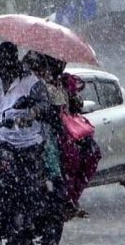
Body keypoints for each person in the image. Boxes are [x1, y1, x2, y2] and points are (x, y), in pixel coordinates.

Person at [0, 42, 51, 245]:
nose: (4, 67)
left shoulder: (31, 82)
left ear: (15, 59)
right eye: (0, 62)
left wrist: (32, 114)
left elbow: (44, 104)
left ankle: (24, 222)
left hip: (27, 141)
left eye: (8, 61)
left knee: (19, 182)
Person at [24, 51, 100, 218]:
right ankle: (64, 198)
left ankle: (68, 198)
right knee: (63, 158)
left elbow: (71, 106)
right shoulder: (31, 83)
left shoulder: (63, 83)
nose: (61, 65)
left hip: (63, 131)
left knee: (88, 153)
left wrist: (72, 99)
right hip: (40, 131)